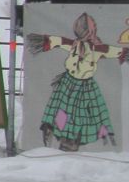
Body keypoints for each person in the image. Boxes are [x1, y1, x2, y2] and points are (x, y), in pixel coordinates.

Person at [28, 13, 127, 151]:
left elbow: (116, 51)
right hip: (69, 83)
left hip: (85, 86)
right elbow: (56, 41)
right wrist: (44, 41)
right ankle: (58, 133)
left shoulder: (97, 48)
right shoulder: (74, 45)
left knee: (81, 114)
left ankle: (71, 140)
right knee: (63, 111)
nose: (95, 28)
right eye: (92, 27)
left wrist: (124, 52)